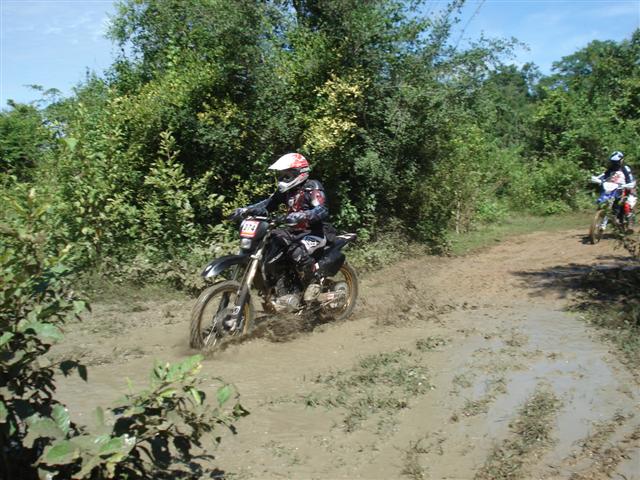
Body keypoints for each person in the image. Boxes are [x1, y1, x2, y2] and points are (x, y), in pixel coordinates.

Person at [234, 153, 329, 300]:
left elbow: (322, 210)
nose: (282, 179)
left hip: (312, 233)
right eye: (281, 175)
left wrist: (303, 215)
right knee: (270, 244)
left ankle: (313, 283)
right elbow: (267, 204)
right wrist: (246, 210)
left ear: (299, 173)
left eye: (286, 175)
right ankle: (281, 285)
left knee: (297, 252)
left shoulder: (312, 187)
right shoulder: (286, 191)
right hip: (292, 231)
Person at [597, 151, 637, 222]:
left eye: (616, 162)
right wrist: (598, 180)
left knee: (625, 203)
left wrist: (629, 185)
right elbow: (604, 176)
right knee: (605, 197)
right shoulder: (610, 169)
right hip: (612, 189)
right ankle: (606, 213)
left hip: (624, 188)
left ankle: (626, 218)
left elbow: (630, 179)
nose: (615, 164)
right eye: (613, 162)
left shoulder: (625, 168)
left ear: (621, 160)